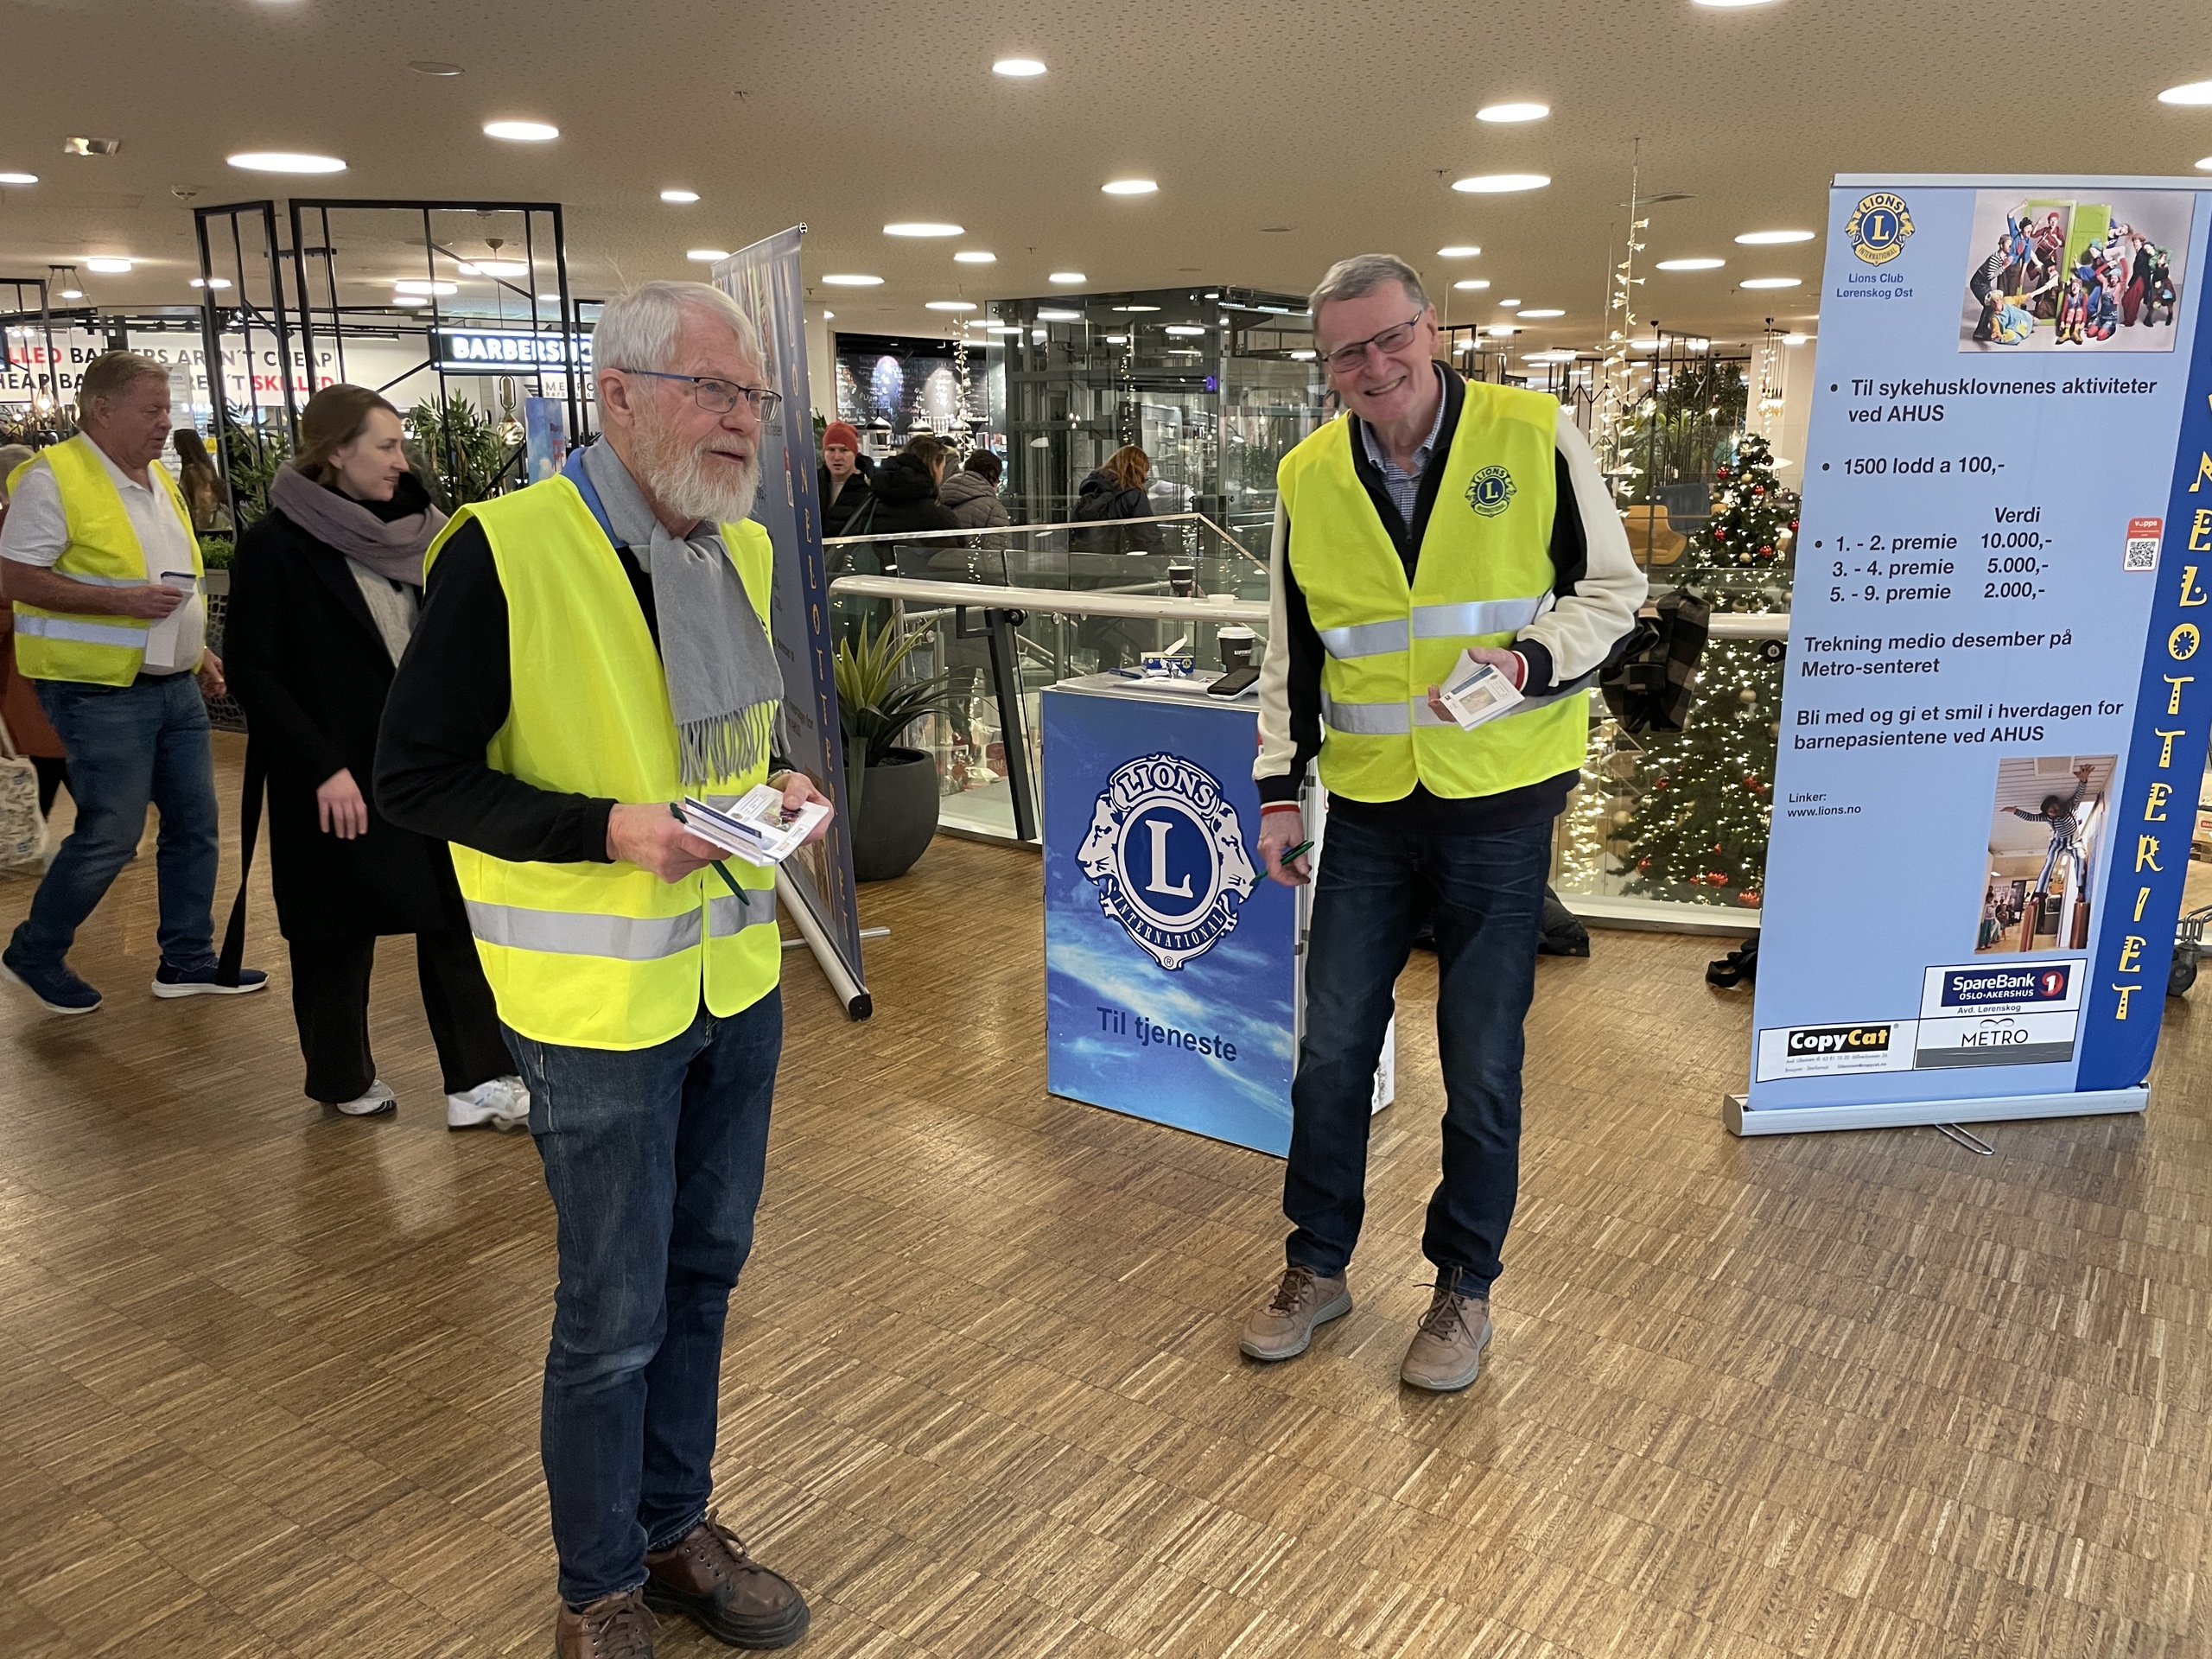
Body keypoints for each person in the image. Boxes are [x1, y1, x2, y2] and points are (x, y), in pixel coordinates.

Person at [377, 280, 830, 1658]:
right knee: (613, 1313)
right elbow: (416, 778)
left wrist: (779, 783)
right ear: (618, 395)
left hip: (734, 982)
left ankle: (676, 1527)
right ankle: (598, 1588)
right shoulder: (507, 550)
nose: (743, 420)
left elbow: (721, 741)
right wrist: (607, 830)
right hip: (595, 1008)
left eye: (753, 396)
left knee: (705, 1274)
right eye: (714, 390)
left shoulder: (739, 547)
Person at [1239, 254, 1643, 1393]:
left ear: (1430, 327)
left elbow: (1613, 595)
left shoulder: (1531, 433)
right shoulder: (1308, 473)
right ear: (1327, 368)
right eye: (1346, 353)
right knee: (1331, 1053)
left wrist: (1528, 661)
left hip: (1500, 805)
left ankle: (1464, 1287)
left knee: (1481, 1060)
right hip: (1368, 806)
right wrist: (1279, 790)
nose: (1375, 366)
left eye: (1390, 337)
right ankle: (1316, 1265)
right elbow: (1293, 649)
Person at [225, 385, 529, 1127]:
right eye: (385, 446)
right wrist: (321, 767)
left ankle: (476, 1081)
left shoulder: (429, 532)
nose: (402, 461)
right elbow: (254, 671)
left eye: (401, 446)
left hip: (429, 763)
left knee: (455, 916)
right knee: (335, 930)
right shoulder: (277, 545)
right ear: (337, 452)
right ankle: (340, 1074)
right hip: (334, 770)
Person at [0, 351, 267, 1014]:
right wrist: (119, 604)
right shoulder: (53, 478)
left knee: (195, 824)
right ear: (102, 409)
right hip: (96, 688)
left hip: (172, 682)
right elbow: (14, 578)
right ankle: (36, 950)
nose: (165, 422)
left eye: (167, 408)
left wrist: (196, 651)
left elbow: (170, 580)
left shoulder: (158, 479)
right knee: (113, 832)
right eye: (152, 409)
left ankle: (187, 959)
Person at [0, 443, 69, 819]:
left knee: (38, 772)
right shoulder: (65, 522)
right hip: (72, 669)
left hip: (21, 676)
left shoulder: (8, 529)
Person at [842, 432, 957, 538]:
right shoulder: (939, 516)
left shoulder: (873, 498)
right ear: (934, 465)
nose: (942, 474)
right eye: (942, 468)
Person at [1072, 444, 1164, 552]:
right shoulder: (1133, 494)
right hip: (1119, 557)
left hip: (1083, 556)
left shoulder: (1091, 488)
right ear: (1138, 470)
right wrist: (1162, 557)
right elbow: (1146, 535)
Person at [817, 420, 870, 536]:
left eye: (844, 450)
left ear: (854, 453)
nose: (837, 457)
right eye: (831, 450)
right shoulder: (813, 485)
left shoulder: (869, 486)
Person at [173, 428, 229, 531]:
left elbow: (200, 502)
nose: (177, 450)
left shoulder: (192, 471)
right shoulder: (206, 467)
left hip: (201, 522)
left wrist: (198, 528)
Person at [939, 448, 1010, 529]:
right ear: (992, 475)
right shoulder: (994, 510)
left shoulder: (941, 499)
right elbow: (999, 537)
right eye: (998, 480)